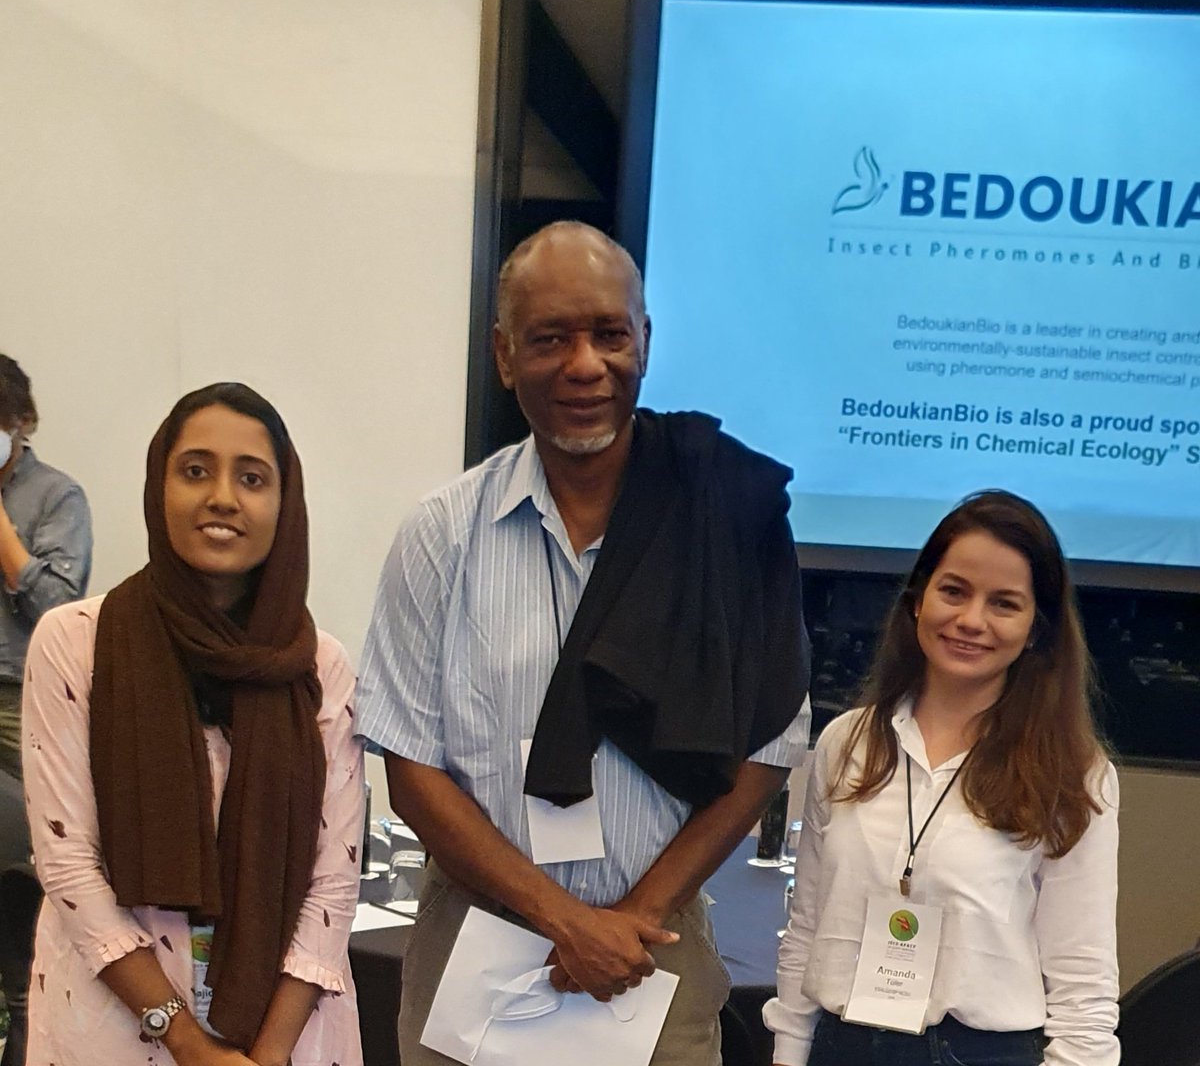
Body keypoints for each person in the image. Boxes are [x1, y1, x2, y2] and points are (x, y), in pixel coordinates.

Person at [356, 220, 811, 1066]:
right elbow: (413, 774)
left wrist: (628, 921)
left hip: (653, 952)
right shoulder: (442, 536)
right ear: (502, 355)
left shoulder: (728, 513)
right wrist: (567, 922)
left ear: (645, 339)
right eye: (550, 338)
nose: (585, 365)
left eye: (609, 333)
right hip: (475, 943)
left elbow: (766, 749)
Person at [21, 383, 364, 1066]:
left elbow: (332, 883)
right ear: (159, 486)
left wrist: (264, 1056)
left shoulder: (320, 664)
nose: (223, 498)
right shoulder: (75, 642)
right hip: (115, 1023)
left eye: (253, 478)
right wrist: (185, 1041)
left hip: (286, 1028)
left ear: (284, 503)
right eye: (196, 470)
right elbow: (68, 866)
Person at [766, 490, 1119, 1066]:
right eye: (953, 591)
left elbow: (1083, 978)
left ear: (1036, 628)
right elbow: (806, 926)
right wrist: (788, 1052)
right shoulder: (848, 742)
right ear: (917, 601)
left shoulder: (1072, 772)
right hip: (843, 1043)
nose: (971, 621)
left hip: (981, 1051)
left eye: (1004, 603)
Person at [0, 354, 92, 1066]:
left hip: (15, 696)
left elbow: (59, 610)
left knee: (34, 874)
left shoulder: (56, 498)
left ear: (20, 424)